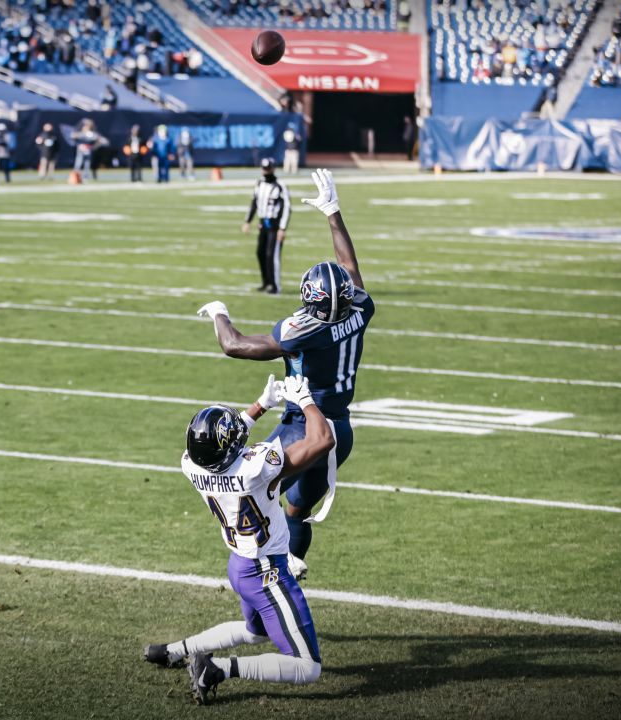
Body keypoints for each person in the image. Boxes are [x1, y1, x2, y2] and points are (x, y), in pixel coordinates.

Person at [198, 169, 372, 579]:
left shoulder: (302, 332)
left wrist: (219, 312)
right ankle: (292, 569)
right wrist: (332, 212)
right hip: (339, 432)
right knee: (298, 508)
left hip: (301, 426)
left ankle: (278, 570)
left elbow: (234, 345)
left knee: (258, 493)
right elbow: (349, 267)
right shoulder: (361, 310)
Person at [142, 375, 334, 704]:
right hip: (266, 572)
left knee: (255, 632)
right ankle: (215, 668)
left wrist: (260, 406)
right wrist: (304, 400)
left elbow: (221, 447)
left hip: (239, 566)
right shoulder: (255, 468)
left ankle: (172, 651)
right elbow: (322, 440)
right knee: (308, 666)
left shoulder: (191, 465)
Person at [241, 158, 290, 294]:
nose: (266, 171)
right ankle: (266, 282)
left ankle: (275, 285)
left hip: (275, 225)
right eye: (264, 168)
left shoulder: (280, 185)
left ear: (273, 168)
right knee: (260, 253)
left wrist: (282, 227)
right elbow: (254, 203)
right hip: (263, 224)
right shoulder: (259, 184)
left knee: (272, 255)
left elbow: (287, 207)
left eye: (268, 168)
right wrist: (247, 221)